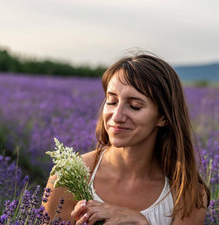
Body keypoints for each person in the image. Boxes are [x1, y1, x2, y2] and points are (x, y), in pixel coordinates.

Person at [43, 53, 210, 225]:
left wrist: (142, 223)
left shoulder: (187, 194)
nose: (117, 116)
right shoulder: (68, 177)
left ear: (163, 117)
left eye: (134, 106)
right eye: (112, 101)